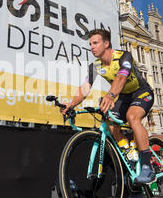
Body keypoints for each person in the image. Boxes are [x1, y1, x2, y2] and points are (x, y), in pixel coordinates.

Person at [60, 29, 155, 184]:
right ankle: (129, 154)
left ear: (106, 43)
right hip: (123, 96)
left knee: (132, 117)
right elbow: (85, 88)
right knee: (110, 125)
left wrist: (110, 95)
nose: (91, 47)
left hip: (141, 92)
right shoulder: (95, 66)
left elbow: (121, 78)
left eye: (95, 43)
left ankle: (146, 166)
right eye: (90, 44)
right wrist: (71, 104)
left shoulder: (124, 56)